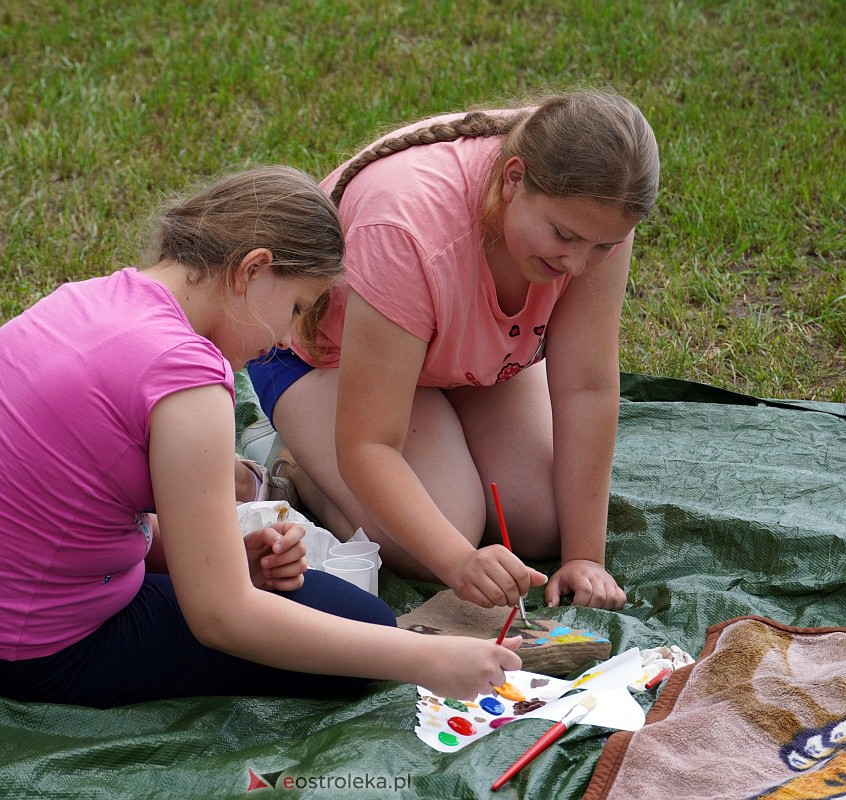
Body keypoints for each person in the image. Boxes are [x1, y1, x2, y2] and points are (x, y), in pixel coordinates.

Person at [0, 165, 522, 708]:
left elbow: (64, 501)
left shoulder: (93, 297)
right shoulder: (190, 382)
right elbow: (221, 619)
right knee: (362, 630)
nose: (287, 339)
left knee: (301, 603)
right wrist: (427, 657)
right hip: (1, 646)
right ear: (252, 269)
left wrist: (222, 555)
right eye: (296, 308)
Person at [248, 92, 659, 613]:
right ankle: (294, 463)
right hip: (326, 356)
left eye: (602, 247)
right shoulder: (405, 228)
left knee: (541, 520)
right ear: (512, 179)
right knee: (439, 532)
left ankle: (438, 424)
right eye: (565, 237)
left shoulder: (595, 215)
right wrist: (458, 561)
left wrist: (585, 557)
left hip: (459, 357)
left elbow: (586, 386)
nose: (579, 265)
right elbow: (369, 444)